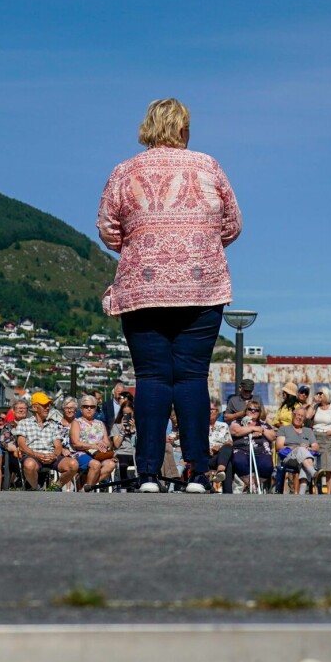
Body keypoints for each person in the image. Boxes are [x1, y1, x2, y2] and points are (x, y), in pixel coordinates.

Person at [97, 98, 242, 493]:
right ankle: (196, 472)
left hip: (143, 289)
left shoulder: (124, 171)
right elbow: (233, 224)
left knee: (152, 378)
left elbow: (108, 228)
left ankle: (147, 474)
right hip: (201, 287)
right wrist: (202, 244)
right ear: (183, 129)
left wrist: (141, 244)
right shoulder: (208, 166)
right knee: (192, 378)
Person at [15, 392, 78, 490]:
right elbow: (22, 445)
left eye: (48, 405)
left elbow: (58, 446)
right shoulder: (24, 423)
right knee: (29, 464)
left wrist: (54, 455)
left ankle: (54, 488)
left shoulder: (53, 425)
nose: (48, 407)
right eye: (44, 405)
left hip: (51, 456)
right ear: (35, 407)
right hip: (33, 456)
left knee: (73, 464)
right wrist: (37, 455)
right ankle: (36, 488)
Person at [69, 394, 117, 489]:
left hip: (98, 454)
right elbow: (75, 443)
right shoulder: (76, 422)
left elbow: (107, 442)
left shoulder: (100, 423)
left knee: (111, 464)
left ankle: (86, 487)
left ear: (95, 409)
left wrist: (103, 444)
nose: (89, 409)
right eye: (86, 406)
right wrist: (93, 446)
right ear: (81, 408)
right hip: (81, 453)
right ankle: (87, 490)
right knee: (95, 464)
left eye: (92, 407)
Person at [230, 401, 276, 492]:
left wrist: (262, 430)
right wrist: (252, 428)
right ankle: (250, 484)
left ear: (260, 412)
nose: (253, 411)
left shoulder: (263, 424)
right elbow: (236, 431)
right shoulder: (238, 422)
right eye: (250, 409)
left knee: (267, 466)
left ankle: (255, 484)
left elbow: (273, 436)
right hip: (242, 449)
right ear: (246, 410)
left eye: (256, 410)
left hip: (261, 450)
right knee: (239, 460)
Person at [274, 407, 319, 494]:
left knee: (305, 460)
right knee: (303, 453)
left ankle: (301, 494)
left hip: (304, 458)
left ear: (304, 419)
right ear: (293, 415)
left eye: (302, 416)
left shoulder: (308, 431)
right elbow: (279, 446)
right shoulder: (284, 429)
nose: (299, 417)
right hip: (289, 458)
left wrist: (307, 448)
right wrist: (296, 448)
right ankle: (313, 473)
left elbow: (316, 447)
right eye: (298, 415)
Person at [310, 387, 331, 494]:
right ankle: (315, 490)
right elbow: (308, 416)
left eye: (321, 393)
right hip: (315, 434)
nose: (319, 395)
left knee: (328, 465)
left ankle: (328, 491)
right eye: (317, 393)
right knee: (315, 465)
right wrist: (313, 402)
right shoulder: (316, 407)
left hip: (327, 435)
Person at [207, 399, 234, 493]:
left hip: (219, 457)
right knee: (228, 464)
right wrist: (209, 449)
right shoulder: (200, 426)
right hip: (205, 456)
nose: (209, 411)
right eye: (208, 409)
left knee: (227, 447)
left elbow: (230, 442)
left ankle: (220, 471)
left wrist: (219, 447)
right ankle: (227, 492)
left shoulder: (223, 425)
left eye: (212, 409)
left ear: (217, 412)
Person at [109, 394, 138, 483]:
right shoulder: (117, 426)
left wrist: (134, 431)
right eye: (125, 414)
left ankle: (138, 483)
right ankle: (125, 486)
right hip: (122, 452)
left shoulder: (139, 425)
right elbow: (117, 444)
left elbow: (139, 443)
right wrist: (122, 430)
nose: (127, 416)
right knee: (123, 464)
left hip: (135, 451)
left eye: (129, 414)